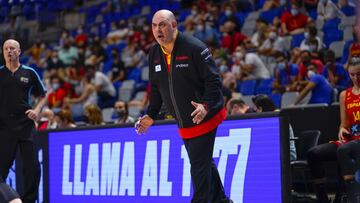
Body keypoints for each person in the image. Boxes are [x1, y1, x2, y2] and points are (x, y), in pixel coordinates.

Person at [135, 10, 232, 203]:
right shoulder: (154, 52)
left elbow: (214, 81)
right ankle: (222, 200)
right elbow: (156, 88)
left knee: (198, 165)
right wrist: (151, 115)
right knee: (203, 162)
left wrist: (205, 106)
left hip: (205, 115)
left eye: (162, 24)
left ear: (174, 25)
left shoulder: (194, 47)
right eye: (154, 26)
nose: (157, 30)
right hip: (184, 120)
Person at [0, 39, 47, 203]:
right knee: (1, 170)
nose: (9, 51)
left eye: (12, 48)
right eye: (6, 48)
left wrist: (36, 110)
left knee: (33, 168)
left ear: (19, 52)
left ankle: (29, 201)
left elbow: (43, 95)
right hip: (4, 127)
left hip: (25, 124)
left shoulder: (29, 72)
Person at [335, 57, 360, 202]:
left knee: (343, 150)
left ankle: (352, 197)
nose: (356, 78)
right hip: (351, 138)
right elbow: (343, 124)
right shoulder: (344, 95)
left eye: (359, 74)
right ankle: (324, 197)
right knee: (315, 153)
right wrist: (341, 130)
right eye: (352, 74)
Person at [251, 94, 297, 161]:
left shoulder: (277, 120)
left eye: (255, 110)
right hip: (276, 153)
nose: (254, 113)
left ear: (260, 109)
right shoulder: (268, 121)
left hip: (288, 154)